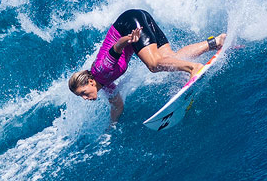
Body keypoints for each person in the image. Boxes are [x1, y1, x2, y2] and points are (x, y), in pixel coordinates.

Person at [68, 8, 225, 123]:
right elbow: (117, 107)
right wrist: (111, 127)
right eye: (80, 96)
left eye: (83, 92)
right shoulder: (106, 85)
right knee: (171, 58)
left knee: (154, 65)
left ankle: (193, 68)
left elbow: (116, 47)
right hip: (137, 19)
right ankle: (215, 42)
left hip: (130, 24)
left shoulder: (101, 70)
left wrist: (128, 38)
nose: (84, 97)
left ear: (90, 82)